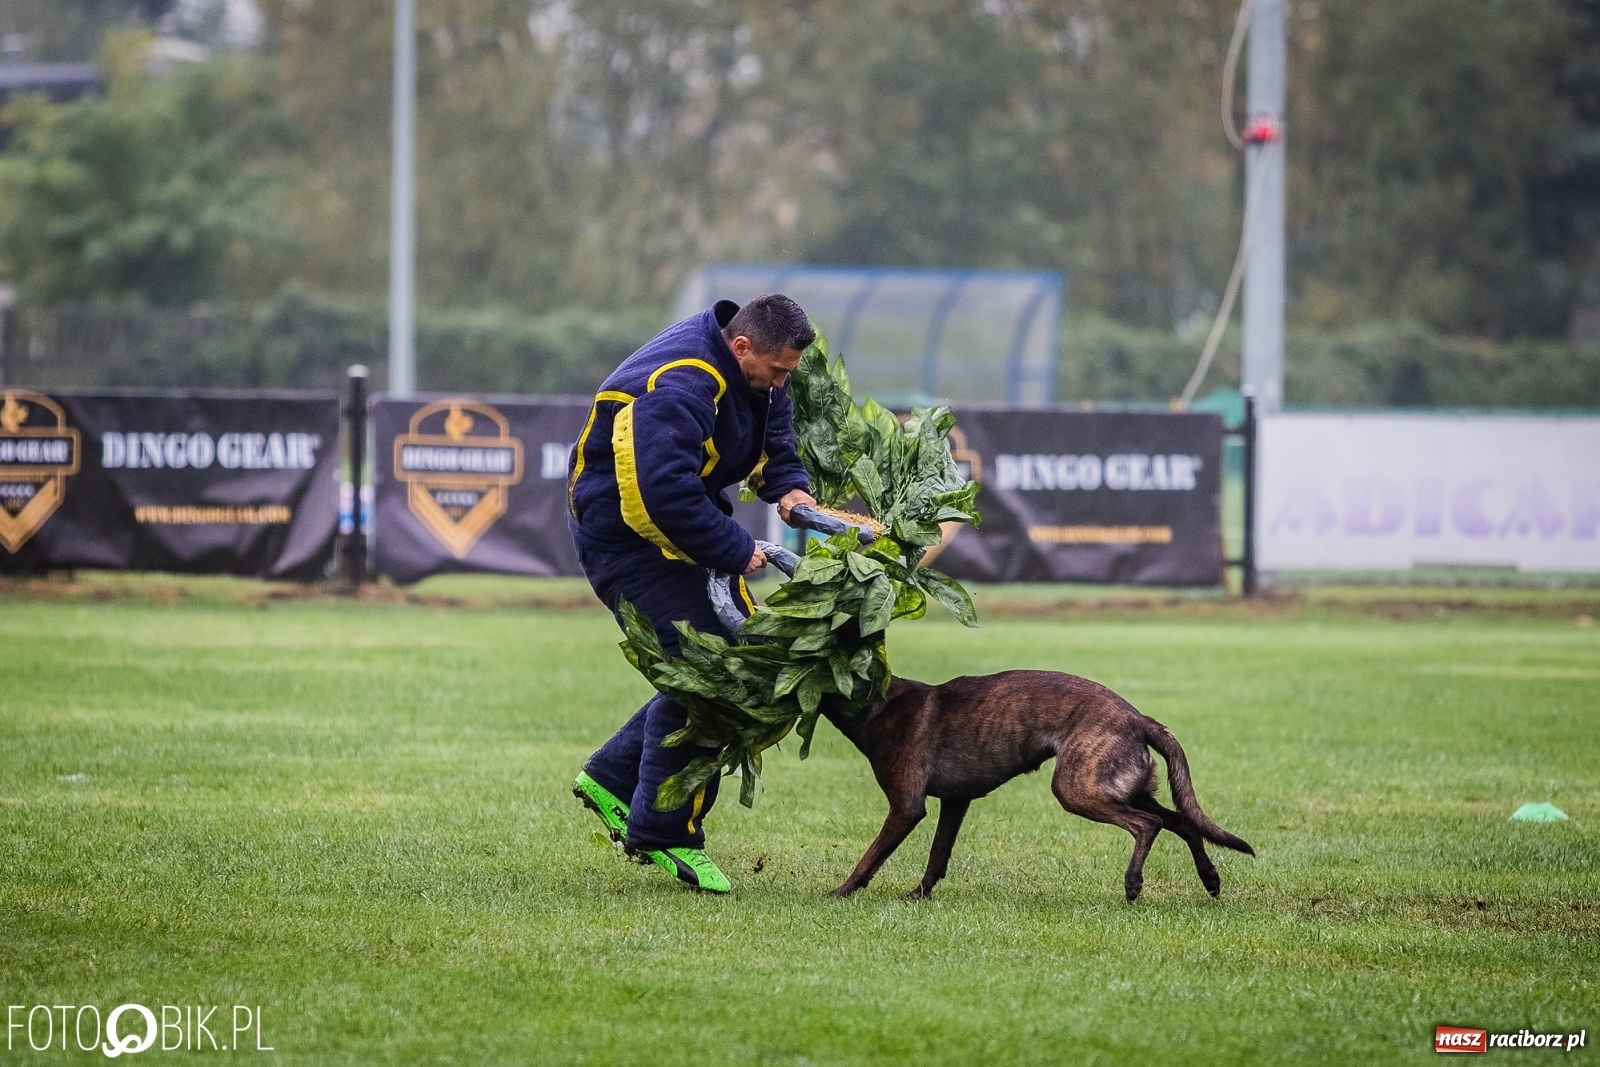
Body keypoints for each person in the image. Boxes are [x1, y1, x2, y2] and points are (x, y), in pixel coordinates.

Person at [567, 294, 818, 893]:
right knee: (713, 673)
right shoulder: (680, 383)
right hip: (627, 534)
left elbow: (771, 422)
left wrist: (791, 489)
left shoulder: (756, 367)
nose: (784, 380)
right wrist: (736, 548)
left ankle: (612, 777)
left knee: (743, 665)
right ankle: (666, 832)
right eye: (779, 369)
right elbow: (662, 494)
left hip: (681, 524)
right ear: (741, 347)